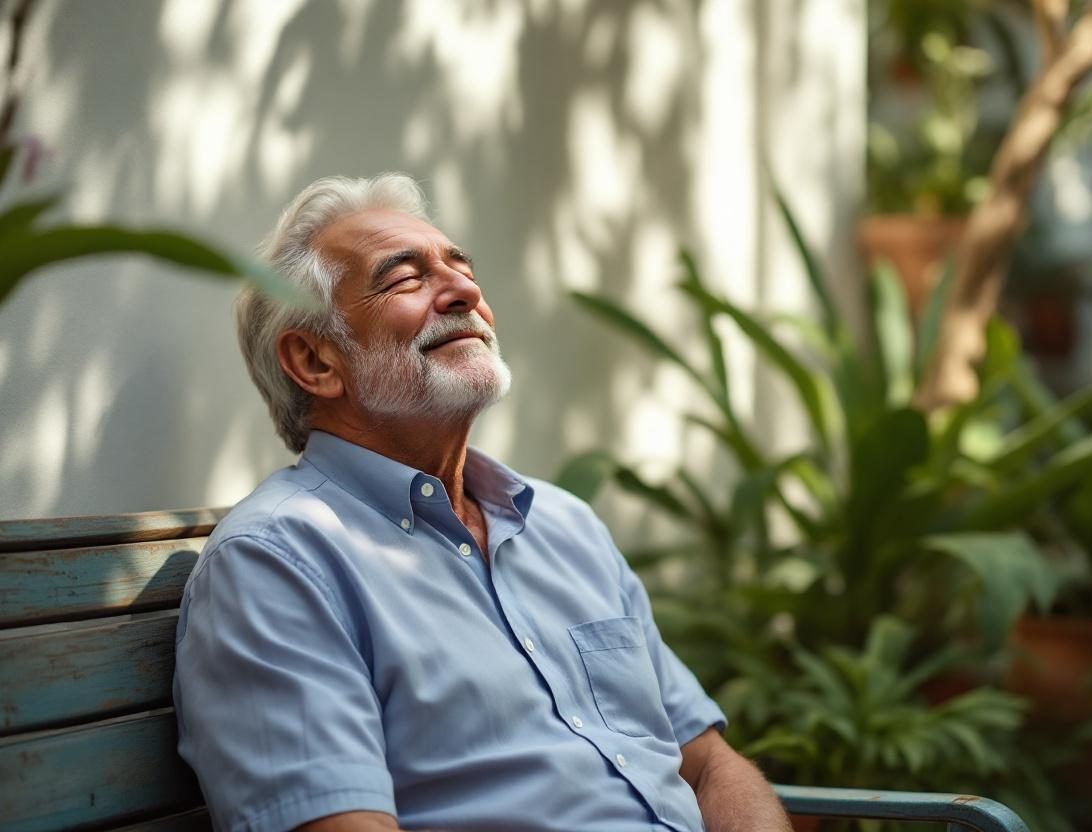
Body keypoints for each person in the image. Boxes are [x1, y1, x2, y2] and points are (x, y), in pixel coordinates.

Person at [173, 173, 793, 832]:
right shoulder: (280, 562)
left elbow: (707, 767)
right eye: (405, 279)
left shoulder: (564, 526)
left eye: (460, 267)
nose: (466, 291)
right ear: (316, 361)